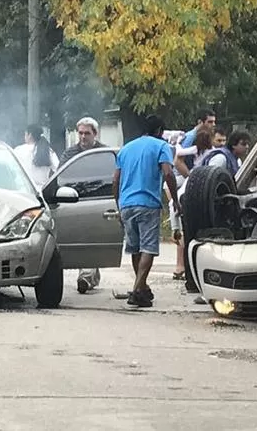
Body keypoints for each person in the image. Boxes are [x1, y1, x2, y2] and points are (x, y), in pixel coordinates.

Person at [113, 115, 180, 307]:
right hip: (148, 204)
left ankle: (142, 289)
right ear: (159, 131)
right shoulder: (161, 147)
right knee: (148, 248)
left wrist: (119, 206)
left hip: (126, 205)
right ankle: (136, 290)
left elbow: (115, 179)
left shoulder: (126, 149)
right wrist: (175, 200)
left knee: (135, 249)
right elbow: (168, 173)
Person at [63, 117, 108, 294]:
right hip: (75, 201)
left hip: (99, 202)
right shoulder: (70, 154)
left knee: (92, 239)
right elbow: (62, 176)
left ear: (95, 134)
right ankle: (90, 277)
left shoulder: (104, 153)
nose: (83, 137)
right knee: (84, 240)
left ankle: (86, 277)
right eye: (80, 133)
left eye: (87, 133)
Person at [169, 126, 214, 281]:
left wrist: (179, 141)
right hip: (203, 182)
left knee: (175, 206)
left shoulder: (196, 150)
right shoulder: (213, 152)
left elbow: (178, 153)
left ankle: (176, 231)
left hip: (194, 181)